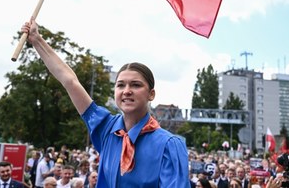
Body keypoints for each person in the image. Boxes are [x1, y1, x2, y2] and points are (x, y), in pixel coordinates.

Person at [21, 18, 190, 187]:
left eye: (136, 85)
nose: (127, 90)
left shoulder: (169, 146)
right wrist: (37, 40)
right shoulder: (106, 128)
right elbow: (70, 81)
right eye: (120, 85)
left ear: (151, 94)